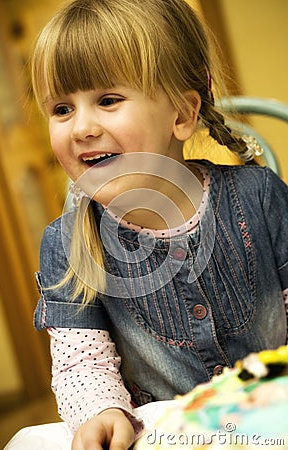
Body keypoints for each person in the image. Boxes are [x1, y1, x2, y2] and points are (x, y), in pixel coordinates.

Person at [31, 0, 288, 449]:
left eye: (108, 100)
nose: (81, 128)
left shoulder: (260, 196)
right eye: (61, 109)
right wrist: (102, 411)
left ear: (182, 114)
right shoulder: (65, 244)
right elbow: (82, 365)